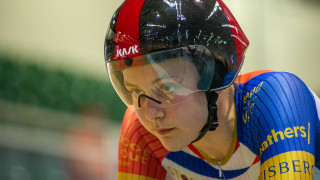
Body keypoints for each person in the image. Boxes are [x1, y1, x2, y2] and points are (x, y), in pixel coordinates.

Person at [104, 0, 320, 179]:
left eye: (167, 87)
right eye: (133, 91)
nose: (150, 114)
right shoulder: (139, 128)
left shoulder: (275, 99)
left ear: (215, 75)